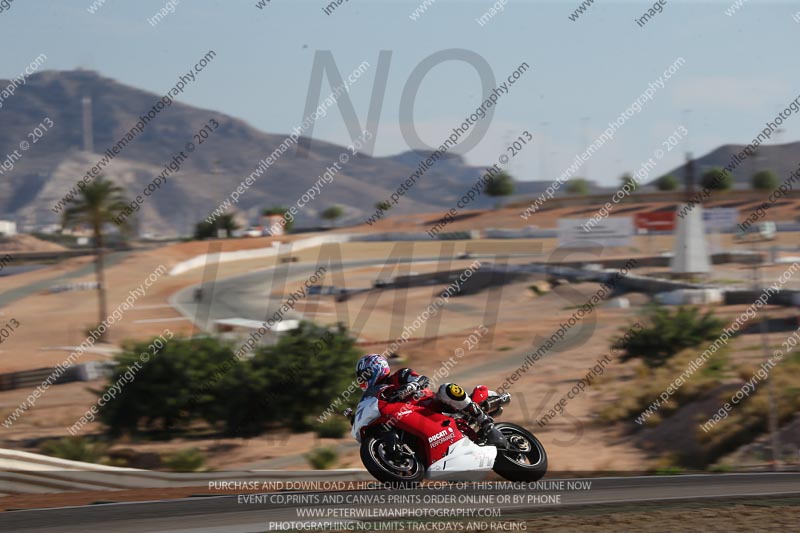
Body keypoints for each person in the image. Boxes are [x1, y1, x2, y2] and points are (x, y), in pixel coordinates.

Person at [353, 353, 508, 447]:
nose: (363, 380)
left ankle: (485, 423)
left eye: (364, 375)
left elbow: (422, 379)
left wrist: (411, 385)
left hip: (433, 404)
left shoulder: (399, 375)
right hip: (413, 419)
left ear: (376, 368)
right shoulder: (376, 395)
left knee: (446, 388)